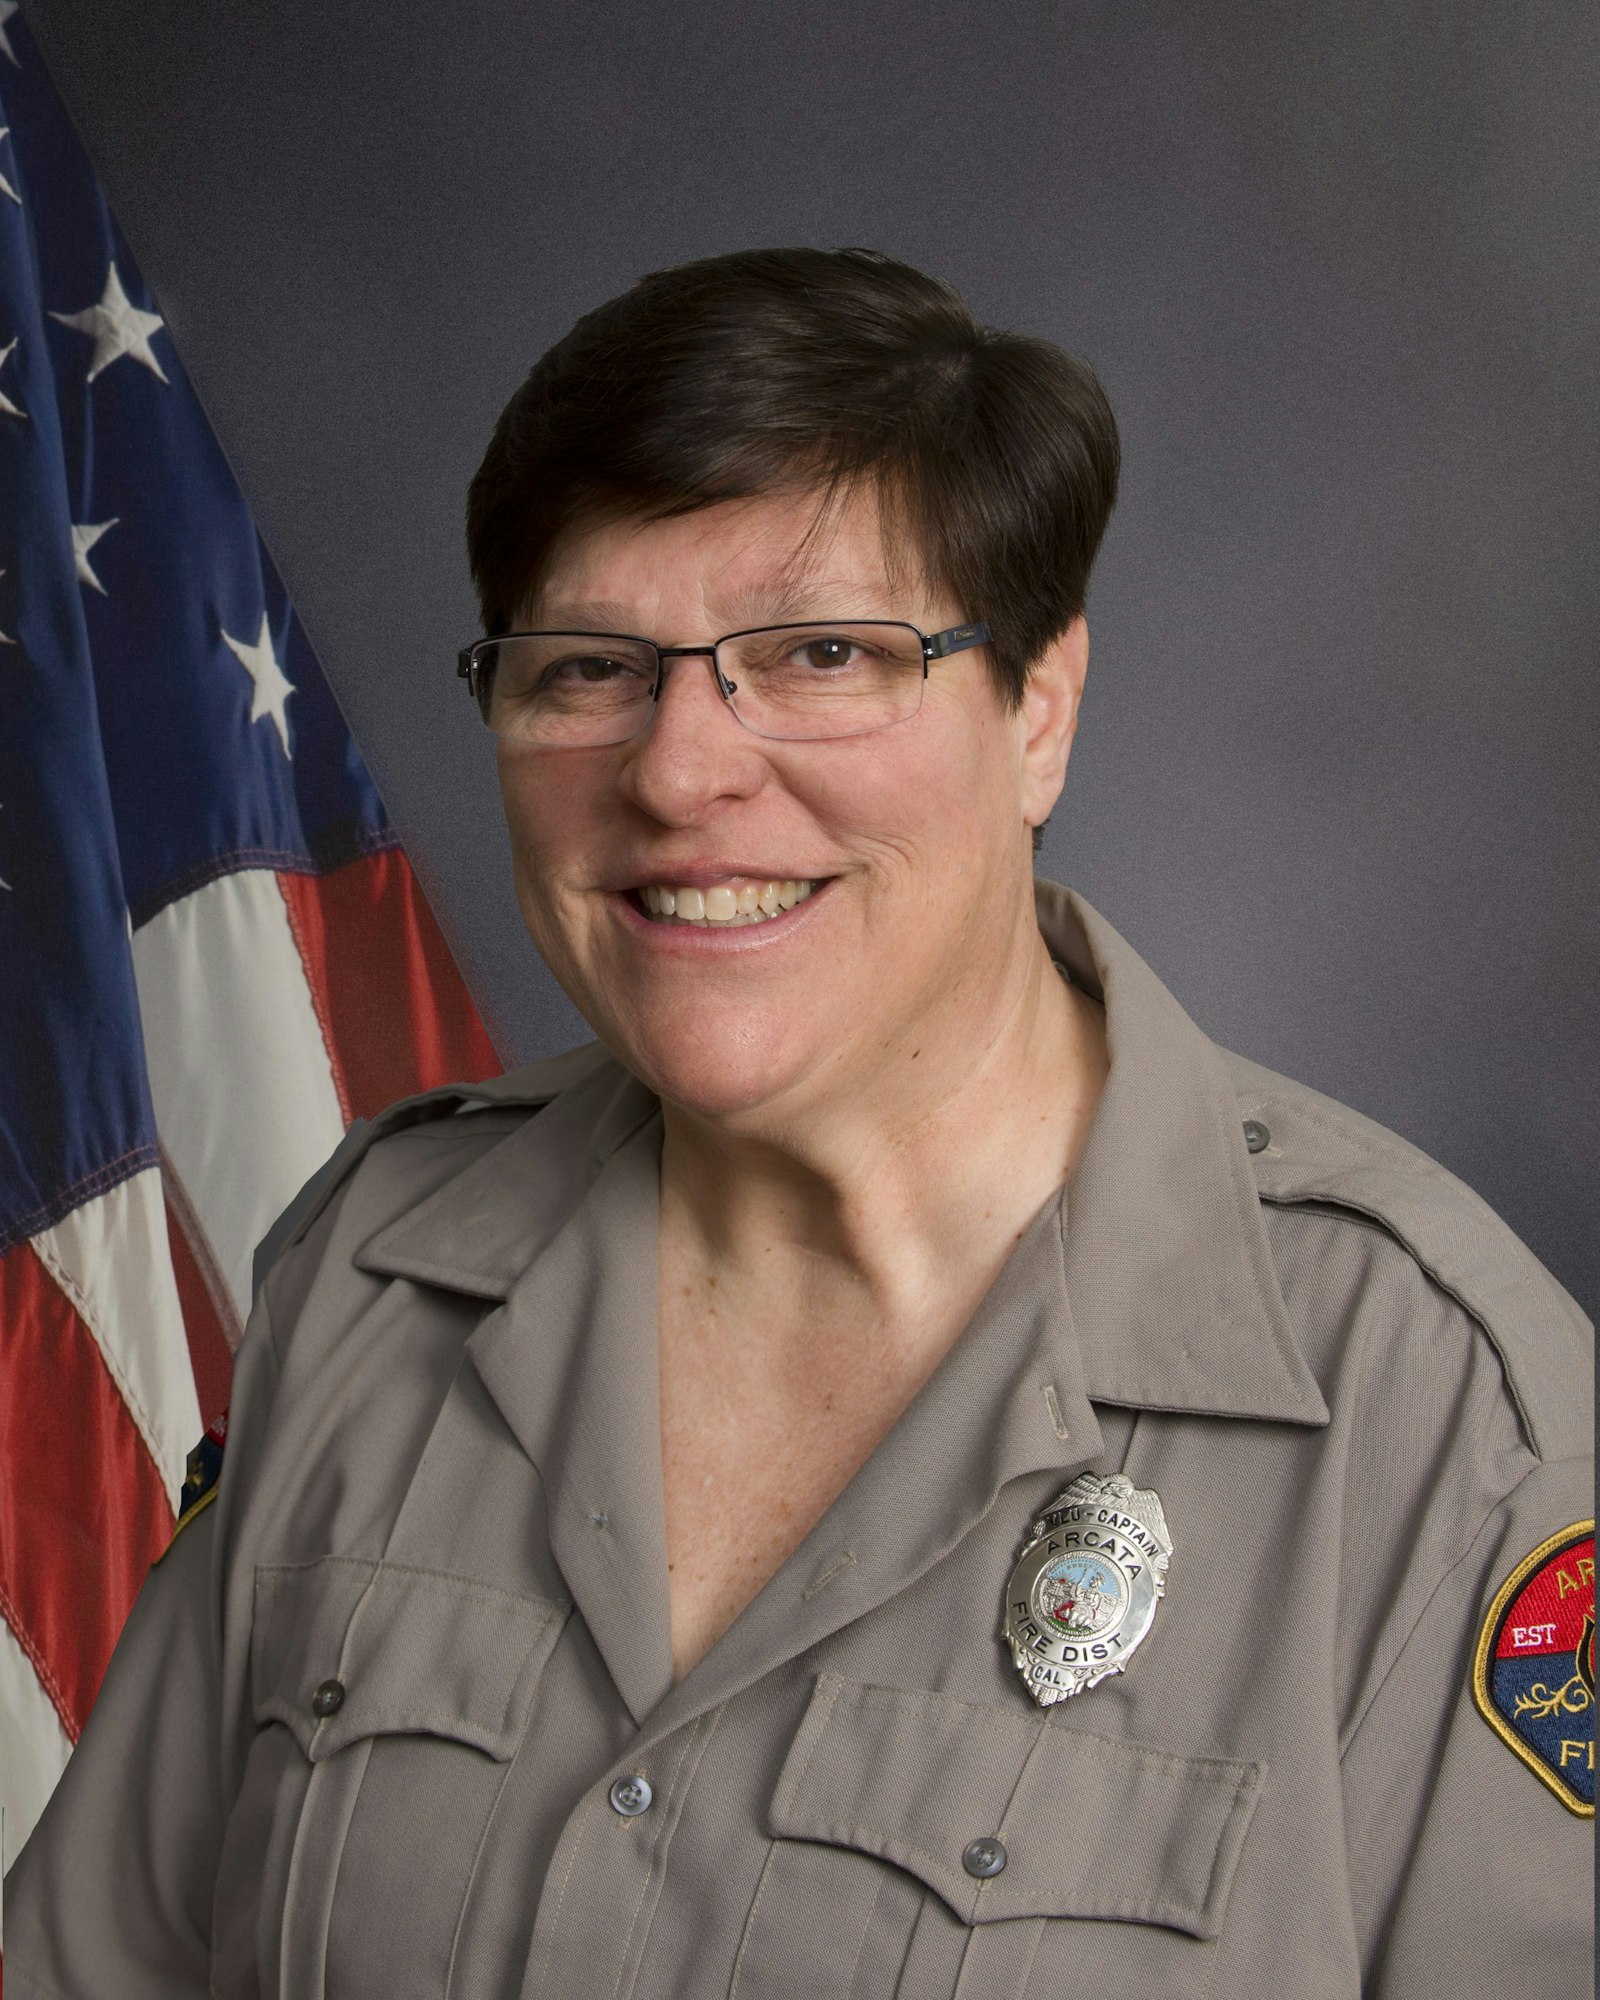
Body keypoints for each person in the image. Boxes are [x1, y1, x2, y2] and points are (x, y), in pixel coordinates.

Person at [5, 245, 1592, 1998]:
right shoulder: (375, 1274)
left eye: (823, 651)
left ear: (1039, 711)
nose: (680, 772)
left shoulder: (1449, 1424)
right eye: (590, 667)